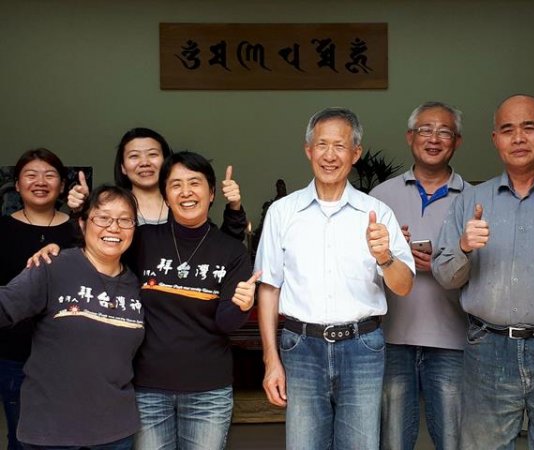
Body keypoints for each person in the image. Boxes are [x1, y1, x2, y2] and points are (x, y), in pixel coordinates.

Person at [432, 94, 534, 449]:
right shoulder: (469, 202)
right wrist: (463, 247)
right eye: (507, 130)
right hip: (488, 349)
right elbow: (445, 277)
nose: (518, 138)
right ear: (495, 140)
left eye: (529, 127)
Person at [254, 107, 415, 450]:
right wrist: (271, 360)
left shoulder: (377, 214)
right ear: (308, 149)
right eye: (321, 145)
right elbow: (268, 289)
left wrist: (384, 256)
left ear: (355, 153)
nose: (330, 155)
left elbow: (404, 285)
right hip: (300, 346)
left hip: (362, 347)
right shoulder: (283, 213)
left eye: (339, 146)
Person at [127, 151, 259, 450]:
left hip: (208, 392)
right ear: (165, 195)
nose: (186, 192)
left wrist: (242, 304)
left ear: (211, 193)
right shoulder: (142, 240)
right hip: (147, 388)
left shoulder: (231, 251)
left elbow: (226, 323)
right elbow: (100, 260)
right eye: (176, 185)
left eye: (195, 183)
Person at [0, 184, 144, 449]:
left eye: (125, 220)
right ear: (82, 223)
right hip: (51, 431)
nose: (114, 227)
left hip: (114, 432)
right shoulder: (53, 267)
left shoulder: (136, 284)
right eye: (103, 217)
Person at [370, 101, 468, 450]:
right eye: (425, 130)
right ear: (410, 137)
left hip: (453, 340)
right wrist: (393, 257)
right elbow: (361, 270)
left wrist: (446, 262)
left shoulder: (473, 199)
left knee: (455, 441)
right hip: (393, 338)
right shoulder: (381, 197)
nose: (434, 138)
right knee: (393, 441)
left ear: (457, 141)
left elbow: (488, 271)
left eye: (444, 132)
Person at [0, 148, 77, 450]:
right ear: (17, 185)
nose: (40, 181)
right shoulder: (2, 229)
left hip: (70, 354)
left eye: (49, 175)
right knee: (22, 438)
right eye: (30, 175)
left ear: (61, 184)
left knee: (71, 437)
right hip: (14, 354)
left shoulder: (79, 230)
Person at [67, 127, 246, 237]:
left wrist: (234, 206)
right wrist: (79, 211)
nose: (144, 162)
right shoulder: (112, 205)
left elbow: (221, 246)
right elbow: (85, 247)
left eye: (152, 154)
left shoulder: (183, 203)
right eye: (134, 156)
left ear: (166, 160)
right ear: (122, 166)